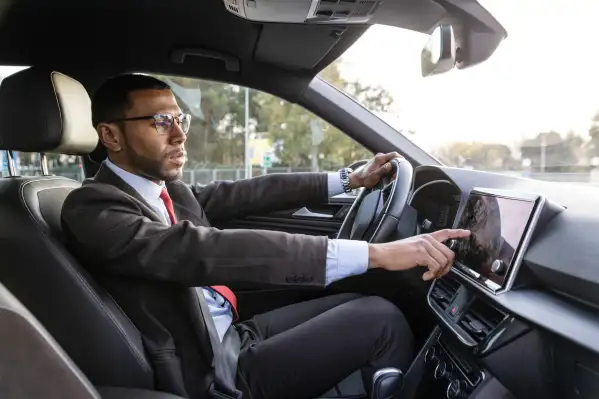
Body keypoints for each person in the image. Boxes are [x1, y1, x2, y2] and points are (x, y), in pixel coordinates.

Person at [61, 74, 470, 399]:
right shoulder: (93, 208)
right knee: (382, 321)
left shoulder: (165, 190)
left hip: (228, 332)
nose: (180, 135)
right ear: (111, 136)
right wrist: (375, 254)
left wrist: (349, 179)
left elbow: (245, 193)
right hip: (211, 371)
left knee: (363, 302)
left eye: (179, 119)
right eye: (160, 122)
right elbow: (204, 251)